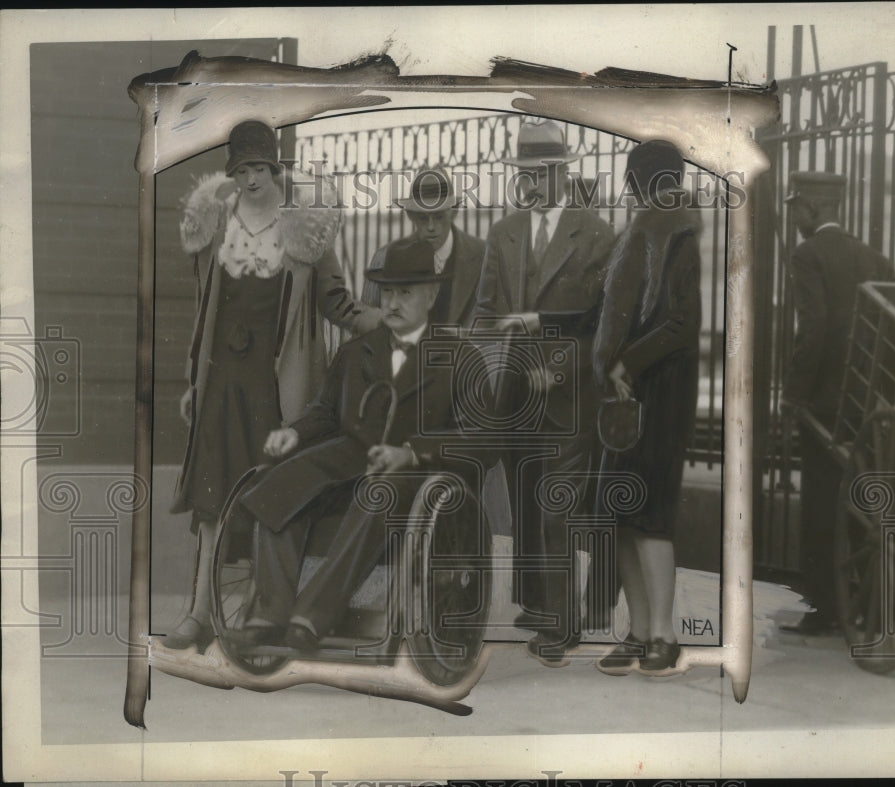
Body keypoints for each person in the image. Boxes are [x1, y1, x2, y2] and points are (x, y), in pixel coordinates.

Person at [162, 120, 381, 652]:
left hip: (275, 384)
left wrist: (388, 321)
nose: (251, 179)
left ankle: (260, 614)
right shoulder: (219, 224)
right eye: (241, 170)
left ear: (275, 169)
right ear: (231, 173)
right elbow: (205, 313)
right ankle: (199, 613)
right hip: (222, 383)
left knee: (268, 492)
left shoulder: (305, 229)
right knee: (211, 501)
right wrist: (195, 379)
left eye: (259, 168)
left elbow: (338, 303)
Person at [229, 238, 468, 652]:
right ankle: (271, 613)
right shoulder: (358, 351)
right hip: (351, 457)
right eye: (387, 292)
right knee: (275, 483)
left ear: (432, 293)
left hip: (415, 473)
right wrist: (296, 432)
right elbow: (325, 410)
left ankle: (310, 617)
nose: (392, 303)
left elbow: (477, 437)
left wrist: (411, 451)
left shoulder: (459, 358)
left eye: (405, 292)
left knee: (377, 492)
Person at [473, 119, 615, 665]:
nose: (528, 184)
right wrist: (488, 370)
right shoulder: (504, 232)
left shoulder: (597, 234)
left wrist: (557, 370)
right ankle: (536, 603)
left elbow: (601, 323)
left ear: (559, 173)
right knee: (526, 497)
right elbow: (486, 311)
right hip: (513, 388)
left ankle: (562, 624)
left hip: (568, 391)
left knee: (555, 503)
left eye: (537, 174)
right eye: (522, 174)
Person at [592, 140, 702, 674]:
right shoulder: (641, 235)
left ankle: (663, 634)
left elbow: (682, 326)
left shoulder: (679, 236)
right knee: (622, 516)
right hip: (627, 394)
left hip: (659, 394)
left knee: (651, 516)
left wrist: (625, 362)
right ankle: (637, 631)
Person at [779, 171, 895, 635]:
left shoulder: (808, 256)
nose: (793, 218)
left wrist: (794, 392)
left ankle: (825, 607)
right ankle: (864, 600)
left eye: (796, 209)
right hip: (867, 400)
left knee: (822, 500)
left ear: (812, 208)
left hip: (824, 402)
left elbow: (814, 328)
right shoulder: (876, 259)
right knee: (864, 499)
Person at [361, 165, 485, 328]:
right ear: (410, 216)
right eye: (422, 218)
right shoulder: (385, 259)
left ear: (454, 212)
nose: (431, 226)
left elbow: (494, 324)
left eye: (439, 216)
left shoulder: (483, 255)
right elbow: (369, 328)